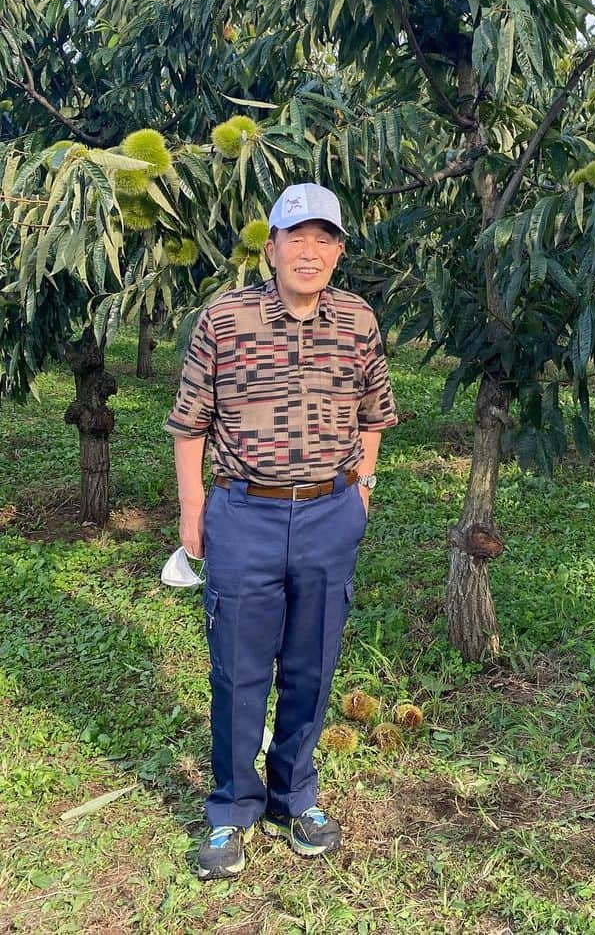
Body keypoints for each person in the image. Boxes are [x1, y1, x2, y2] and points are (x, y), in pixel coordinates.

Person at [165, 182, 398, 880]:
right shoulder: (226, 319)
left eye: (324, 239)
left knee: (311, 666)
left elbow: (374, 413)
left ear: (338, 253)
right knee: (236, 669)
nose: (309, 251)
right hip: (246, 513)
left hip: (330, 513)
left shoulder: (358, 320)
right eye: (296, 237)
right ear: (270, 248)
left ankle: (294, 794)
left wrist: (362, 491)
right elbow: (189, 425)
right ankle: (232, 808)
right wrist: (191, 510)